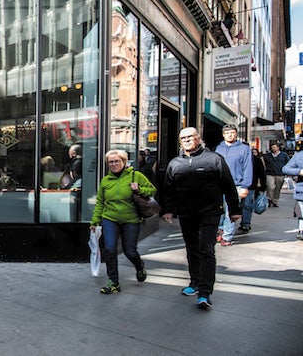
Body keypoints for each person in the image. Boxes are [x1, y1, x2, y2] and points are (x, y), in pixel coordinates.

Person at [162, 127, 240, 310]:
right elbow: (169, 190)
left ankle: (205, 292)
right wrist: (168, 210)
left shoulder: (214, 159)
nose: (187, 140)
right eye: (183, 138)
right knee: (191, 249)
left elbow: (228, 185)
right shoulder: (175, 163)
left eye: (190, 136)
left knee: (206, 249)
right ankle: (194, 283)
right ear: (180, 142)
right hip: (187, 213)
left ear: (198, 138)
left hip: (210, 211)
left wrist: (234, 209)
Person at [90, 149, 156, 294]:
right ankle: (113, 282)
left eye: (117, 161)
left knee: (130, 251)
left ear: (124, 162)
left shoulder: (135, 176)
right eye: (111, 162)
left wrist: (140, 189)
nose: (114, 164)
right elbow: (100, 202)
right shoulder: (105, 180)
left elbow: (152, 190)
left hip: (131, 219)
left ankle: (139, 266)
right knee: (110, 250)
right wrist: (94, 222)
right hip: (110, 219)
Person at [215, 124, 253, 241]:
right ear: (223, 135)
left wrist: (245, 186)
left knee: (230, 211)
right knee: (219, 209)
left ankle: (227, 236)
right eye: (227, 133)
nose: (230, 135)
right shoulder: (218, 148)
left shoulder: (244, 149)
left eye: (232, 132)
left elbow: (248, 168)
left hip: (236, 184)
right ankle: (221, 230)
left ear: (236, 134)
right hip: (219, 184)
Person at [281, 149, 303, 240]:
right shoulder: (299, 156)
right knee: (301, 212)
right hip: (302, 191)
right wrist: (299, 171)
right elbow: (285, 169)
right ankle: (301, 230)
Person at [263, 142, 290, 208]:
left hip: (280, 174)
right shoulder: (267, 156)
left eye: (274, 147)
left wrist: (288, 172)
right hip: (270, 174)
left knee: (277, 188)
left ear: (278, 148)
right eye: (272, 147)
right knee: (270, 187)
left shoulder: (284, 155)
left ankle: (275, 201)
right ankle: (269, 199)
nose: (273, 149)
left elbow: (288, 163)